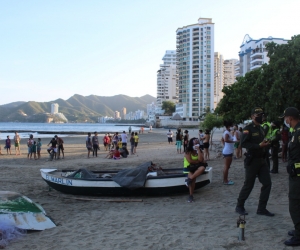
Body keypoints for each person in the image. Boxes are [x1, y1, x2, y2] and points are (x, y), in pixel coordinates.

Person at [235, 107, 273, 217]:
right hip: (252, 161)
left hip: (262, 160)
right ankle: (239, 205)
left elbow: (261, 142)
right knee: (249, 185)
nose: (261, 117)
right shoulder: (248, 129)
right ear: (252, 116)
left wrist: (265, 143)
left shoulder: (261, 128)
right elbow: (244, 144)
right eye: (258, 115)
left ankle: (262, 208)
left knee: (267, 184)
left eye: (262, 115)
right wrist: (258, 146)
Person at [279, 107, 300, 246]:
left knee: (295, 204)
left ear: (290, 118)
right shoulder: (295, 132)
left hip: (297, 176)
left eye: (285, 118)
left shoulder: (298, 133)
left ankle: (299, 236)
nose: (285, 121)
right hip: (295, 175)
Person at [183, 138, 206, 202]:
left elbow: (201, 160)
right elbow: (190, 161)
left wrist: (198, 150)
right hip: (188, 168)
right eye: (195, 143)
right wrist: (198, 162)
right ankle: (191, 195)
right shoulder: (188, 151)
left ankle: (188, 180)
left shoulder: (200, 151)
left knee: (202, 168)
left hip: (196, 168)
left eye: (197, 143)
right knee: (193, 179)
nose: (196, 145)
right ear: (191, 144)